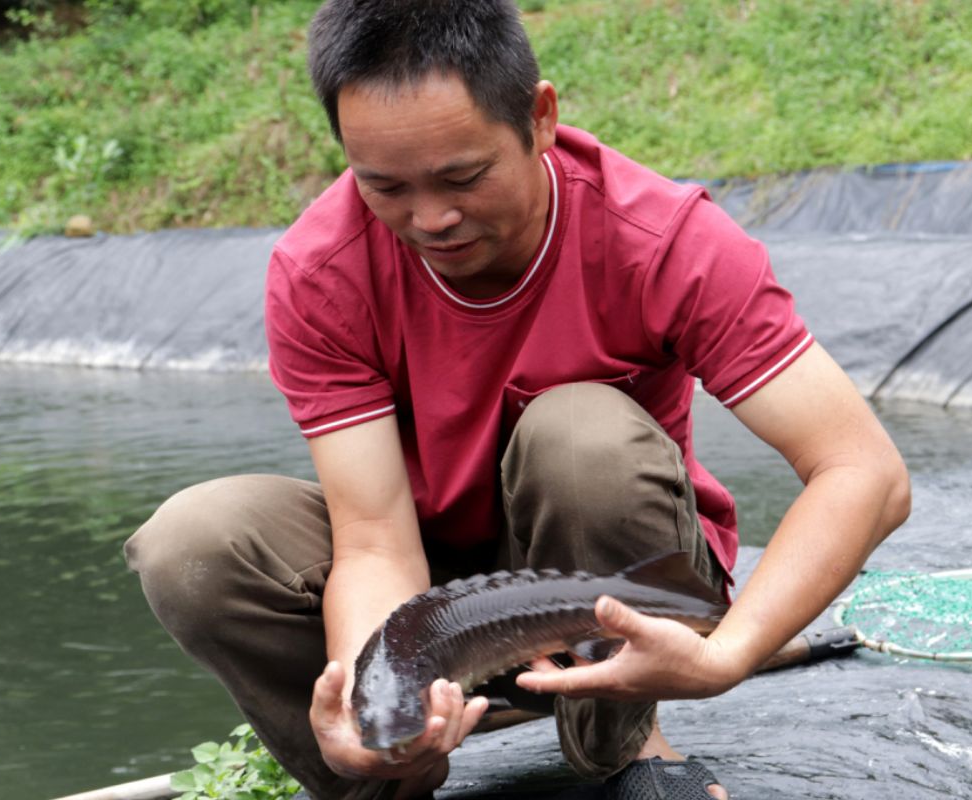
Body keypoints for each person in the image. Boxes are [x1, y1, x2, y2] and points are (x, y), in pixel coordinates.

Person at [124, 2, 911, 798]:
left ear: (539, 118)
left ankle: (626, 748)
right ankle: (388, 767)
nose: (431, 220)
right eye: (384, 186)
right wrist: (384, 716)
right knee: (194, 543)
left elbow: (863, 472)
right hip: (429, 583)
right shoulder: (321, 270)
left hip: (616, 581)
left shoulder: (664, 240)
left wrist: (729, 653)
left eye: (463, 177)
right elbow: (372, 541)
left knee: (581, 436)